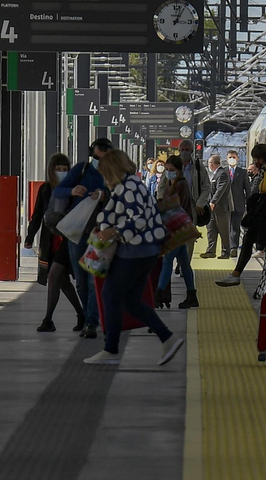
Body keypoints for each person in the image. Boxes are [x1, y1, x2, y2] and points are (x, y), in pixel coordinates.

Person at [86, 150, 185, 367]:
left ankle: (111, 350)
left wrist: (114, 231)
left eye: (105, 172)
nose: (104, 177)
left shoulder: (128, 187)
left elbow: (138, 218)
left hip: (135, 250)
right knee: (129, 300)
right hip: (145, 250)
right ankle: (167, 338)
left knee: (111, 295)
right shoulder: (131, 184)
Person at [54, 138, 112, 339]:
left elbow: (121, 197)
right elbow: (58, 191)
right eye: (97, 154)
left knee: (93, 278)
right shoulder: (80, 170)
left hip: (100, 232)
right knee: (80, 280)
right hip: (77, 233)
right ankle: (89, 317)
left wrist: (105, 194)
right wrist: (71, 190)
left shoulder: (113, 173)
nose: (99, 159)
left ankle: (91, 322)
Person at [215, 143, 266, 287]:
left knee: (253, 242)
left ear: (260, 159)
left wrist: (260, 203)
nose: (254, 163)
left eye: (255, 159)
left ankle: (240, 275)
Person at [25, 153, 85, 333]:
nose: (61, 172)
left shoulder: (75, 189)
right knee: (62, 280)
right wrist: (29, 237)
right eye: (58, 169)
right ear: (51, 170)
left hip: (68, 240)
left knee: (54, 276)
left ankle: (48, 319)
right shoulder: (45, 189)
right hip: (50, 239)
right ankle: (81, 315)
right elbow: (37, 215)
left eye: (64, 169)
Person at [154, 155, 198, 309]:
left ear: (179, 170)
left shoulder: (181, 185)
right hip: (178, 228)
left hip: (178, 228)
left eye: (171, 170)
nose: (168, 172)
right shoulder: (171, 183)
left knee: (167, 261)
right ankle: (192, 295)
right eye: (166, 170)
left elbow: (174, 205)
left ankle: (158, 294)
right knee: (184, 263)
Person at [201, 149, 233, 259]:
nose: (208, 165)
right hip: (212, 208)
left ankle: (225, 252)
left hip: (222, 208)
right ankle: (211, 251)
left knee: (223, 230)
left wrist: (213, 201)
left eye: (209, 163)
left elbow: (220, 189)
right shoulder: (215, 174)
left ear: (213, 163)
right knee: (211, 229)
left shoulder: (222, 173)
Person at [177, 139, 211, 222]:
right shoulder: (173, 164)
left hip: (192, 204)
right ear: (179, 151)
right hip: (176, 204)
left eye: (187, 150)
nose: (185, 152)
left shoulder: (198, 166)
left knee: (190, 231)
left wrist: (200, 203)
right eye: (183, 150)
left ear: (192, 151)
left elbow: (206, 186)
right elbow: (162, 186)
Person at [225, 151, 248, 259]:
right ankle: (226, 248)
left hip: (238, 204)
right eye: (230, 157)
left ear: (238, 158)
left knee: (235, 227)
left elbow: (247, 189)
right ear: (226, 159)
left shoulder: (242, 172)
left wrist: (249, 203)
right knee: (225, 228)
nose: (232, 159)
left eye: (234, 157)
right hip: (225, 205)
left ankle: (233, 248)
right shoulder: (222, 172)